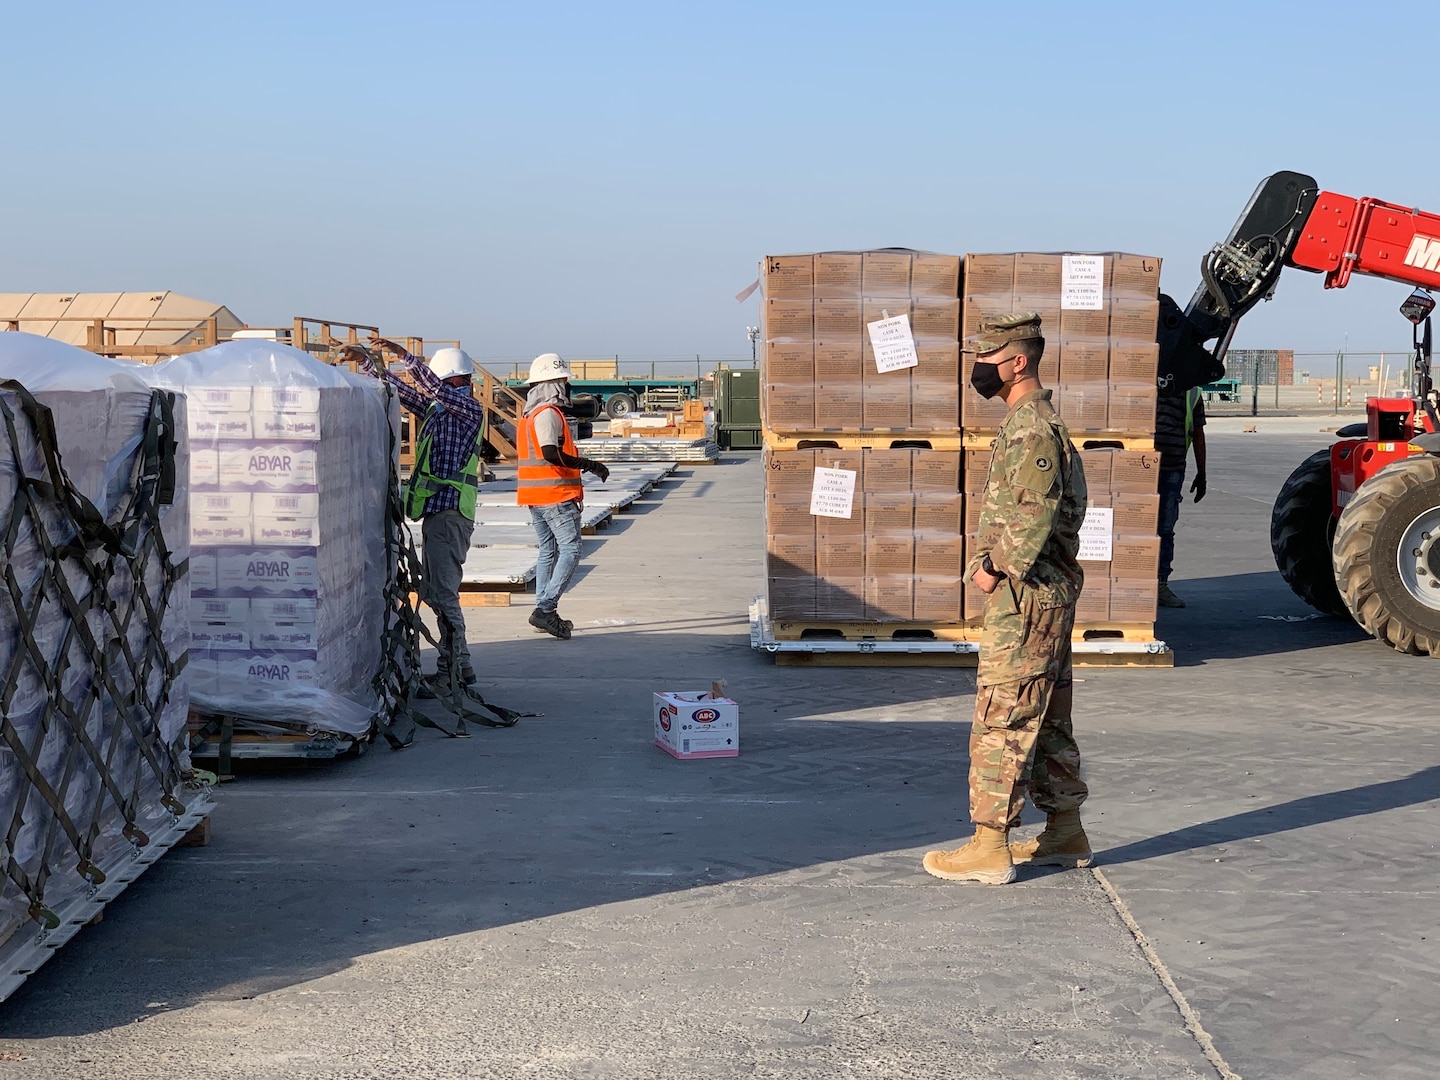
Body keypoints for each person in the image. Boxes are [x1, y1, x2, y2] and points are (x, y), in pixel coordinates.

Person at [923, 312, 1092, 885]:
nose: (980, 371)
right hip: (1042, 597)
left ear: (1018, 362)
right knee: (1045, 717)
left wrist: (994, 568)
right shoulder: (1031, 421)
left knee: (1004, 715)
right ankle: (1064, 832)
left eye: (988, 360)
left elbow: (1033, 512)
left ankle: (989, 845)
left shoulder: (1032, 429)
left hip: (1026, 598)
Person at [349, 337, 484, 693]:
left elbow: (432, 388)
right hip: (438, 512)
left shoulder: (468, 409)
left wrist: (404, 357)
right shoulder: (441, 410)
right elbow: (404, 395)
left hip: (452, 513)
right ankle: (460, 667)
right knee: (438, 590)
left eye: (443, 383)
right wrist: (368, 365)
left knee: (442, 593)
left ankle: (454, 668)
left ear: (455, 380)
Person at [516, 353, 609, 639]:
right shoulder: (546, 414)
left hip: (536, 495)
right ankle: (546, 608)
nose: (566, 387)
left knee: (548, 550)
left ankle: (544, 608)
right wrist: (590, 465)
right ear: (553, 383)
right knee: (570, 550)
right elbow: (549, 453)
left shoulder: (529, 414)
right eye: (563, 381)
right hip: (555, 495)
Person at [1155, 385, 1207, 608]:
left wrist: (1202, 473)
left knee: (1165, 529)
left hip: (1172, 468)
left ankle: (1161, 585)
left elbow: (1197, 432)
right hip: (1138, 468)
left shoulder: (1192, 392)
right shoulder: (1145, 380)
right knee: (1134, 529)